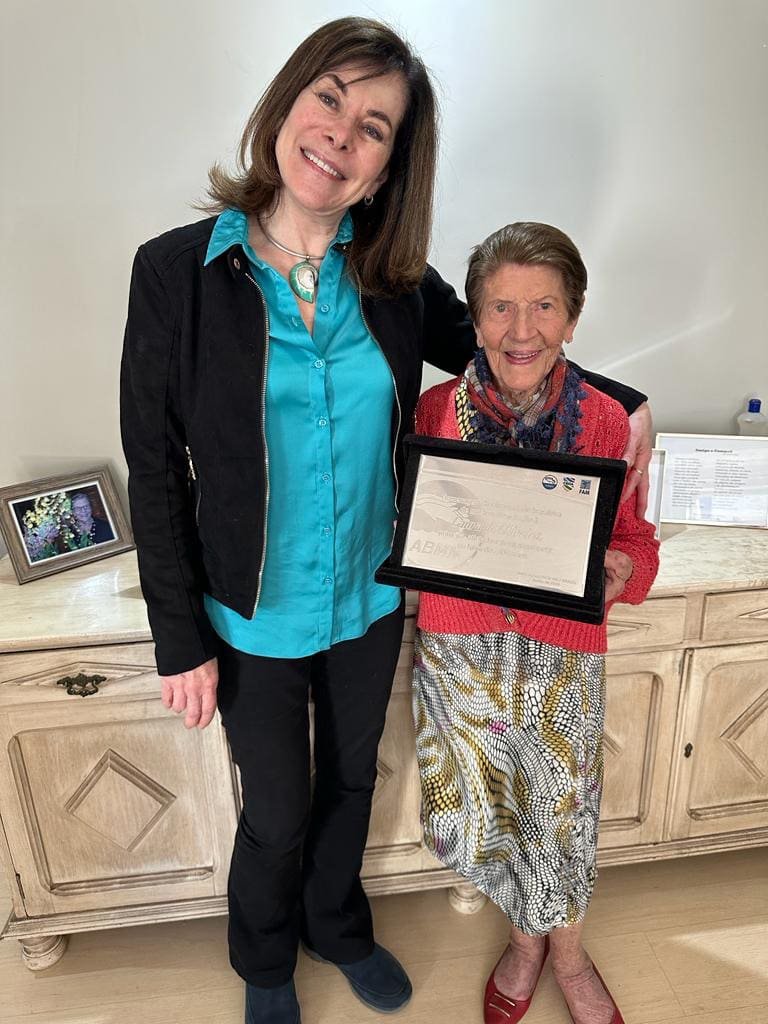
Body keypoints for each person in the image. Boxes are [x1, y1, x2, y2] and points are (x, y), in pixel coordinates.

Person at [120, 18, 653, 1024]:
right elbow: (153, 466)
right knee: (275, 809)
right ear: (286, 102)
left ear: (390, 161)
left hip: (371, 594)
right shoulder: (175, 273)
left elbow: (513, 347)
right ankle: (265, 958)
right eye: (329, 97)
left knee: (354, 781)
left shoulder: (395, 275)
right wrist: (177, 637)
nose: (341, 135)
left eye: (376, 125)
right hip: (249, 609)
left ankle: (339, 924)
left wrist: (626, 403)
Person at [412, 222, 660, 1024]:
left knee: (562, 810)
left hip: (560, 652)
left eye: (544, 306)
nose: (521, 330)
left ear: (574, 315)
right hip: (460, 649)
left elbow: (635, 539)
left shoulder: (616, 421)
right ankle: (523, 945)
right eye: (499, 308)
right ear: (474, 318)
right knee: (492, 807)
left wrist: (624, 571)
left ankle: (568, 954)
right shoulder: (431, 411)